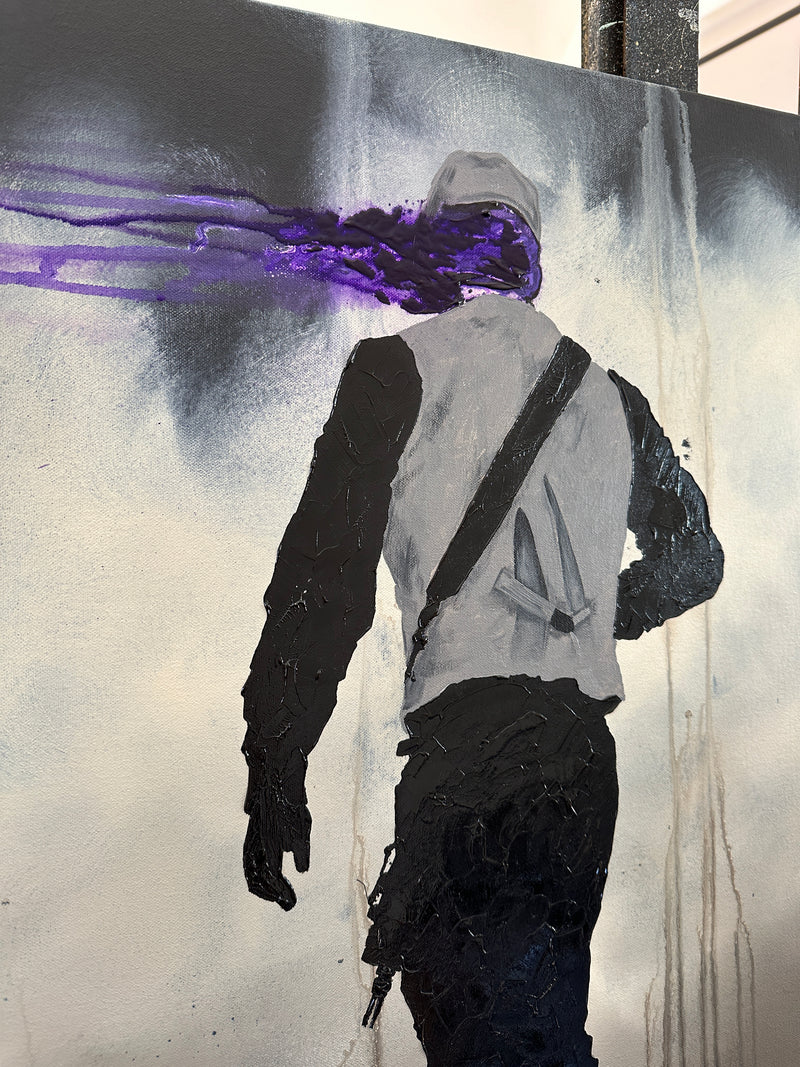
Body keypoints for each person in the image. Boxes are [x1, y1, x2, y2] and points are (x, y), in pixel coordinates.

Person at [240, 152, 723, 1067]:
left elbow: (321, 587)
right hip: (581, 764)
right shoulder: (612, 399)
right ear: (530, 260)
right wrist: (603, 614)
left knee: (491, 1040)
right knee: (537, 1027)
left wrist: (275, 758)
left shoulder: (395, 372)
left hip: (470, 758)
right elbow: (696, 557)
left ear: (440, 251)